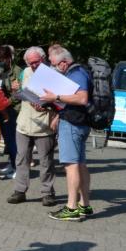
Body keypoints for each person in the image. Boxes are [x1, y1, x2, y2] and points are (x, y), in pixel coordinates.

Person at [40, 46, 94, 221]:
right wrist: (58, 114)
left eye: (54, 64)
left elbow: (82, 98)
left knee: (71, 166)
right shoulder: (78, 71)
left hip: (73, 124)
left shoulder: (76, 72)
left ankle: (71, 208)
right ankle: (84, 206)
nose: (53, 67)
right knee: (80, 165)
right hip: (75, 121)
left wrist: (55, 97)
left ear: (63, 62)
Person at [7, 47, 57, 206]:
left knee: (46, 161)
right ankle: (20, 191)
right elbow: (18, 97)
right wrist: (15, 91)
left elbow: (61, 101)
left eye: (36, 62)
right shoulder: (25, 72)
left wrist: (49, 106)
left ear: (43, 58)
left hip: (44, 126)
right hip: (24, 123)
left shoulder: (53, 74)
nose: (33, 65)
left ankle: (47, 193)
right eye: (30, 63)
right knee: (21, 159)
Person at [0, 45, 22, 177]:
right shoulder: (1, 71)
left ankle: (18, 168)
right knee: (8, 140)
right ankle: (12, 163)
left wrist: (7, 102)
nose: (0, 62)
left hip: (13, 110)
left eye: (2, 59)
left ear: (9, 58)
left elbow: (19, 94)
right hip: (3, 110)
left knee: (13, 141)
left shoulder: (17, 72)